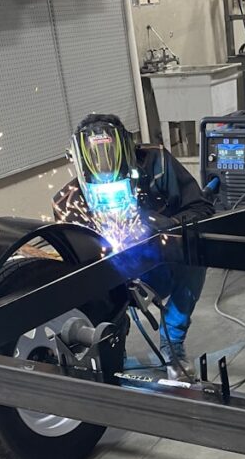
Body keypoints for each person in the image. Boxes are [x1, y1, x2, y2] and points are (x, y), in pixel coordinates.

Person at [52, 113, 214, 378]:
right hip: (112, 279)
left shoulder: (158, 163)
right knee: (85, 283)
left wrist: (162, 225)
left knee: (196, 253)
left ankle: (172, 344)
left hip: (161, 263)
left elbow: (202, 210)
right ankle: (111, 345)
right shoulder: (68, 203)